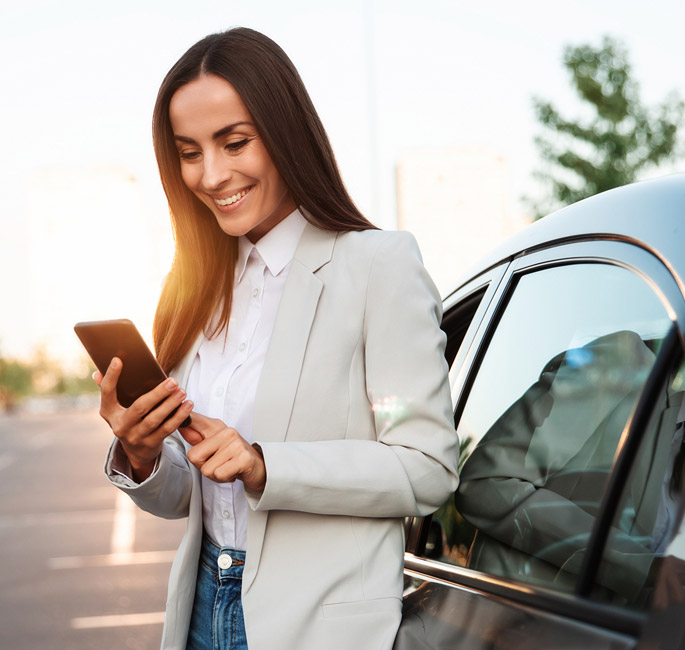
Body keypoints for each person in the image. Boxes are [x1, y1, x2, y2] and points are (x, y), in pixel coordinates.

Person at [93, 27, 459, 650]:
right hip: (204, 606)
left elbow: (425, 468)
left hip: (319, 625)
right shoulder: (195, 292)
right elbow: (193, 496)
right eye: (188, 152)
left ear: (285, 133)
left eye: (234, 142)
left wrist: (265, 464)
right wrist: (142, 453)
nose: (211, 175)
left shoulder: (376, 267)